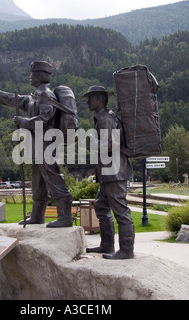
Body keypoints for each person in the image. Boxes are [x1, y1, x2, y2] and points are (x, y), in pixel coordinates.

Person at [0, 61, 73, 228]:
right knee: (38, 183)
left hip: (47, 145)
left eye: (32, 74)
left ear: (39, 75)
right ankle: (37, 216)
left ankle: (65, 217)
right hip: (37, 146)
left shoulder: (47, 95)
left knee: (54, 179)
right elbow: (18, 100)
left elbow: (45, 119)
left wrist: (23, 121)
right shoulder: (35, 95)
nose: (30, 77)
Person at [83, 86, 135, 259]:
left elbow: (110, 145)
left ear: (99, 100)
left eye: (90, 98)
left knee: (120, 211)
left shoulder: (106, 119)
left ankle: (126, 250)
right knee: (101, 205)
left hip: (114, 172)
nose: (88, 102)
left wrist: (92, 140)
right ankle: (107, 245)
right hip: (108, 173)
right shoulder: (102, 118)